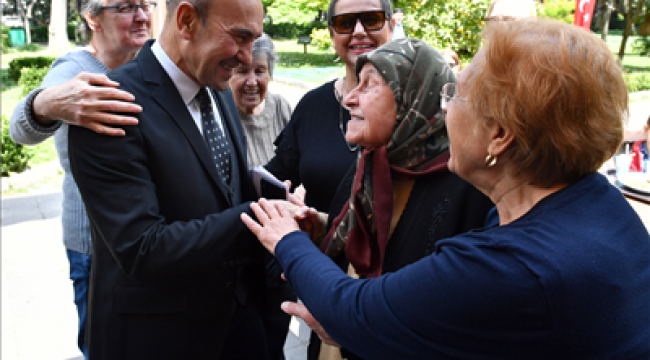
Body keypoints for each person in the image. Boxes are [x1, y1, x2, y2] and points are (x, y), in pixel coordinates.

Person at [243, 19, 650, 359]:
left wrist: (287, 239)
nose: (443, 109)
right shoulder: (598, 201)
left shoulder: (513, 265)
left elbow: (355, 312)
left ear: (500, 135)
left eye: (455, 95)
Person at [67, 0, 278, 358]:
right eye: (240, 37)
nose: (246, 58)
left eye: (253, 39)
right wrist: (264, 217)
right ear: (187, 21)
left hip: (240, 324)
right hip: (161, 337)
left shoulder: (217, 86)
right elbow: (142, 249)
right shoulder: (110, 105)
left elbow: (223, 190)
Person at [306, 38, 494, 359]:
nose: (350, 99)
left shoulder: (466, 182)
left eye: (369, 86)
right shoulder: (372, 162)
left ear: (413, 99)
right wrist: (321, 227)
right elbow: (361, 242)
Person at [8, 0, 148, 357]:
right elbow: (19, 131)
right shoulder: (74, 69)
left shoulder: (147, 63)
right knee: (101, 342)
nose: (142, 15)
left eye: (145, 4)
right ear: (92, 18)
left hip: (148, 236)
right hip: (94, 244)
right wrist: (45, 104)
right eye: (126, 7)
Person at [262, 0, 394, 357]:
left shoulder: (418, 117)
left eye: (371, 19)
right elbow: (274, 177)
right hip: (320, 292)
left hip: (393, 306)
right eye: (345, 22)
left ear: (392, 24)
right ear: (333, 33)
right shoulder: (314, 105)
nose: (360, 31)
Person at [229, 34, 292, 169]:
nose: (252, 82)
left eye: (259, 71)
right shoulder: (220, 116)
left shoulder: (281, 107)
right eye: (242, 71)